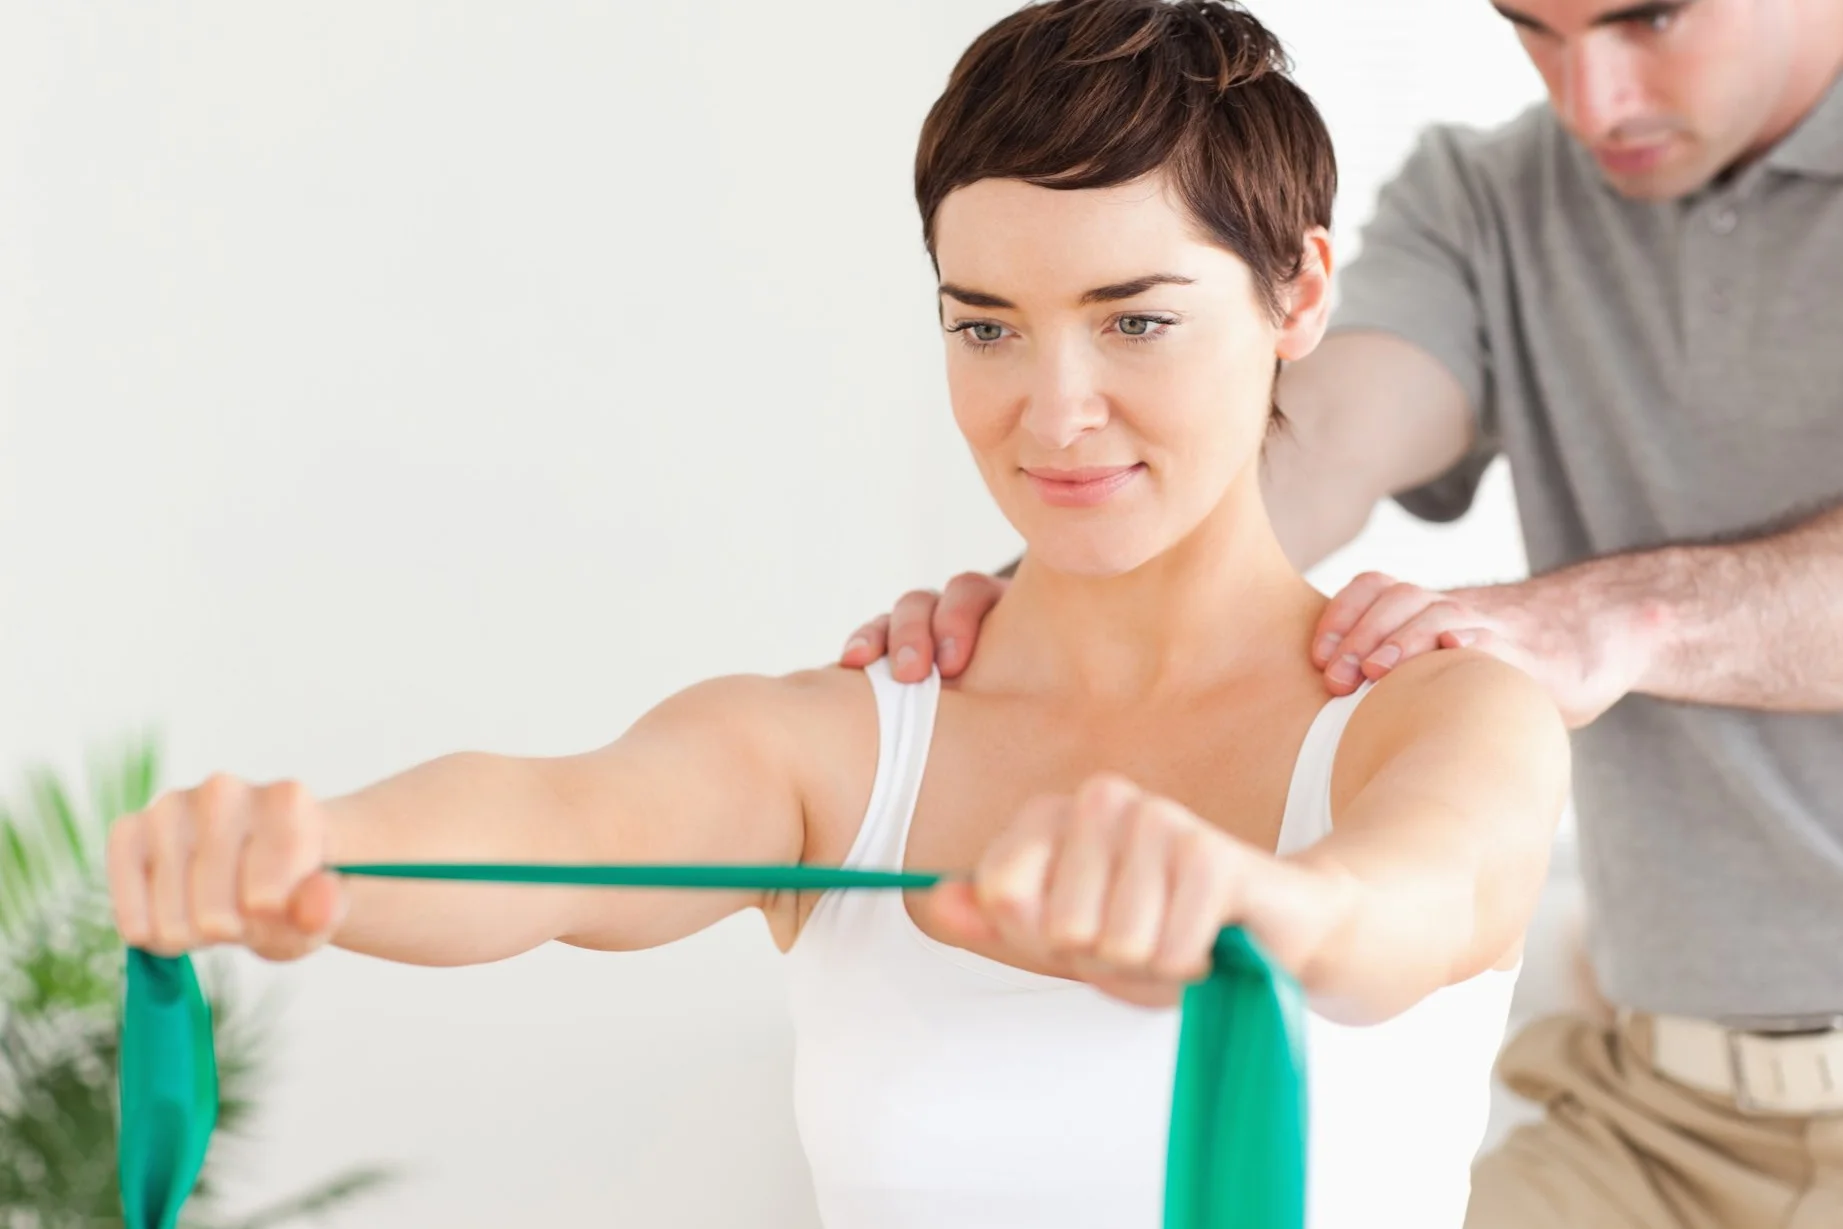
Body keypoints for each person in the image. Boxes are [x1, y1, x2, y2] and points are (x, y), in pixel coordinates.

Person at [105, 2, 1569, 1226]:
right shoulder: (841, 746)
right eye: (984, 323)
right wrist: (306, 852)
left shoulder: (1436, 711)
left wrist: (1252, 903)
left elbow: (1406, 908)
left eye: (1133, 318)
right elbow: (561, 825)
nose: (1052, 412)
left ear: (1297, 290)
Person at [846, 0, 1843, 1225]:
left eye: (1649, 22)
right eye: (1535, 29)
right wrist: (1029, 605)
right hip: (1649, 1109)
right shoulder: (1495, 198)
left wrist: (1618, 620)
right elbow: (1294, 447)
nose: (1591, 100)